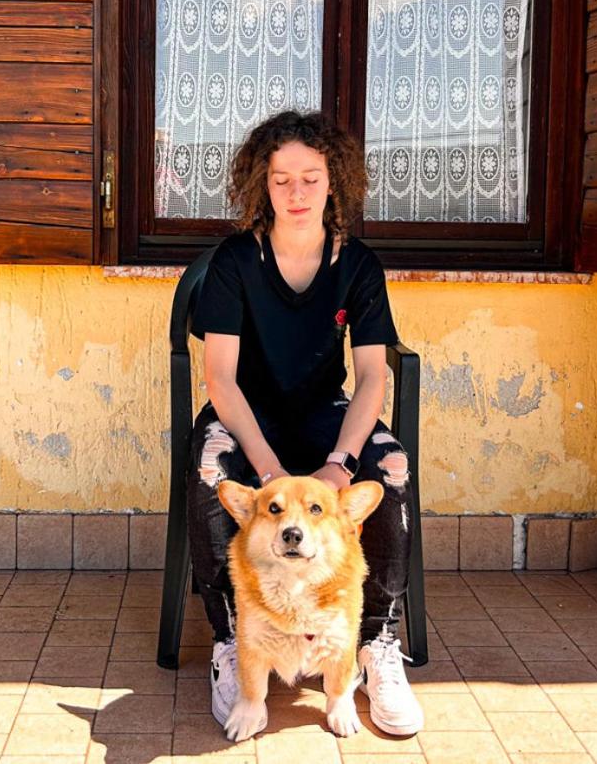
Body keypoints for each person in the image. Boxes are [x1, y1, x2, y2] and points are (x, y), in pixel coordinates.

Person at [186, 110, 424, 737]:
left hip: (325, 416)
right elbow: (221, 379)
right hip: (247, 416)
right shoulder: (235, 261)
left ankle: (374, 642)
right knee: (209, 470)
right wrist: (268, 471)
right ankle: (232, 640)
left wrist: (340, 464)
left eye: (311, 178)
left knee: (393, 469)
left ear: (333, 181)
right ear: (261, 184)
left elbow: (371, 376)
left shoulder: (358, 265)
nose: (296, 193)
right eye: (281, 179)